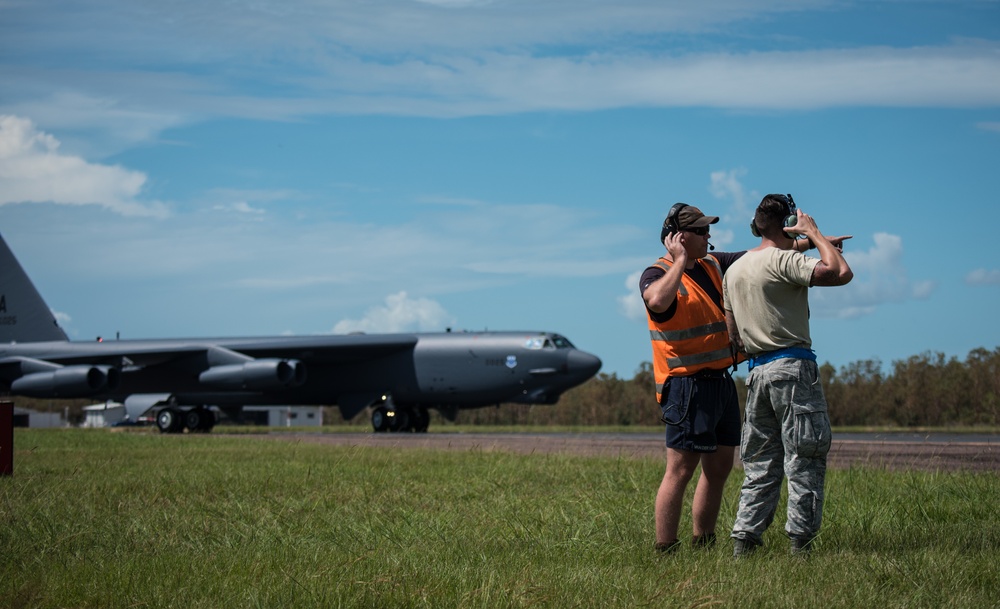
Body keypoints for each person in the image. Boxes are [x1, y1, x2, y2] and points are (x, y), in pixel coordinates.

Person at [722, 193, 853, 557]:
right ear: (788, 223)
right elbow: (840, 272)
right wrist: (817, 235)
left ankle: (744, 543)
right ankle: (800, 544)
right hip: (793, 369)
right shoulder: (785, 259)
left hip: (756, 373)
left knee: (760, 464)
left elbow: (733, 333)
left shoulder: (733, 271)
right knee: (805, 458)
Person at [639, 203, 752, 553]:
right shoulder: (655, 273)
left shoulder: (713, 264)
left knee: (719, 468)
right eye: (701, 231)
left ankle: (703, 542)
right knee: (680, 470)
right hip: (686, 387)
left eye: (707, 230)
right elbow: (657, 302)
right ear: (679, 237)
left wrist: (807, 242)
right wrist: (676, 260)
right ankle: (665, 549)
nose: (708, 237)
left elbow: (760, 255)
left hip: (721, 382)